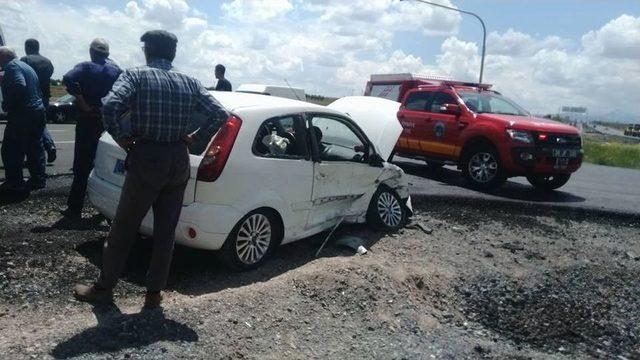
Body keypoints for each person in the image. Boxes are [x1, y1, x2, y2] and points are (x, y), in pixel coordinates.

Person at [73, 30, 227, 309]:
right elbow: (220, 114)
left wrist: (121, 136)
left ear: (147, 51)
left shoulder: (136, 76)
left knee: (124, 227)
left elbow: (110, 105)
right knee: (166, 232)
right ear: (173, 53)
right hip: (178, 158)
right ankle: (154, 294)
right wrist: (195, 139)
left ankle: (104, 288)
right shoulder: (190, 82)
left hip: (147, 156)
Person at [60, 38, 121, 218]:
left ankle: (75, 207)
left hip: (87, 120)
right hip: (108, 124)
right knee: (106, 164)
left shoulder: (85, 67)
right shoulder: (116, 70)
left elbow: (68, 79)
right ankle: (106, 210)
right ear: (107, 54)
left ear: (92, 52)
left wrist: (81, 100)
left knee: (81, 165)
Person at [0, 46, 47, 192]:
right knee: (34, 147)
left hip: (23, 114)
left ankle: (14, 182)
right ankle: (38, 179)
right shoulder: (25, 66)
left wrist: (6, 104)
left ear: (4, 57)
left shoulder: (11, 66)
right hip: (37, 111)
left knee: (10, 149)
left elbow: (19, 85)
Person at [21, 38, 57, 163]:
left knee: (29, 127)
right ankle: (49, 145)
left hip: (31, 97)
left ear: (27, 47)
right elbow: (50, 73)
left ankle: (33, 156)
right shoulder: (48, 61)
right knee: (41, 124)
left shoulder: (25, 60)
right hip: (45, 97)